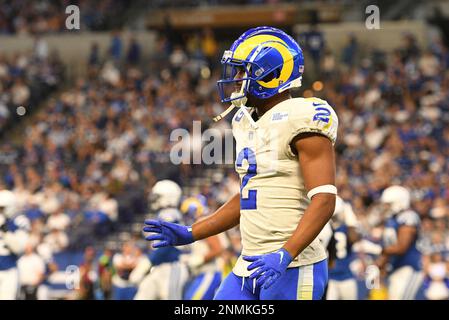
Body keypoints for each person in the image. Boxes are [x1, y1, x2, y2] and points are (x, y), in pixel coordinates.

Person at [144, 26, 338, 300]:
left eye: (242, 71)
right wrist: (192, 232)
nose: (235, 79)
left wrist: (285, 254)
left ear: (270, 75)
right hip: (248, 265)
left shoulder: (303, 116)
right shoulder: (243, 121)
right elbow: (248, 197)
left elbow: (324, 200)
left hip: (294, 266)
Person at [376, 186, 424, 300]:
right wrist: (380, 266)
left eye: (389, 204)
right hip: (395, 268)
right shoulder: (392, 219)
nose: (386, 207)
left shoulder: (408, 216)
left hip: (409, 267)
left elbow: (402, 247)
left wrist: (377, 250)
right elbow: (388, 247)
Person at [0, 190, 29, 299]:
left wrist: (5, 231)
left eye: (2, 208)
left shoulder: (19, 222)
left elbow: (18, 248)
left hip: (8, 270)